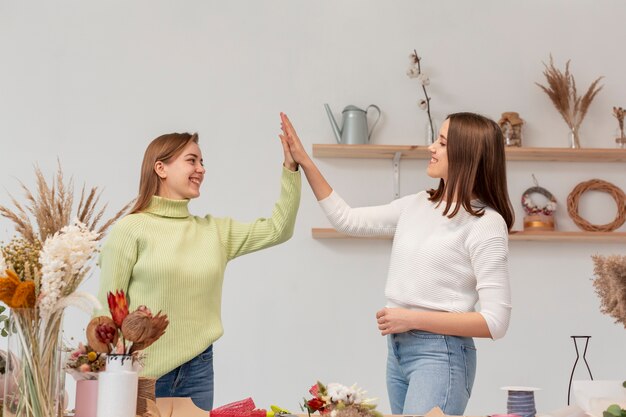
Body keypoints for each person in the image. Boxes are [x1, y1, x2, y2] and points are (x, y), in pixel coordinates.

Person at [280, 112, 513, 415]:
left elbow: (496, 322)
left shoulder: (486, 224)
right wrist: (305, 161)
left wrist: (412, 319)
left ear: (466, 154)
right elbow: (346, 220)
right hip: (399, 351)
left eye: (442, 142)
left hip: (442, 356)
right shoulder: (417, 205)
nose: (431, 147)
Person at [96, 122, 301, 411]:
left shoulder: (215, 233)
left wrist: (290, 168)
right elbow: (106, 310)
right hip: (141, 370)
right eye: (191, 160)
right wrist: (113, 368)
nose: (201, 169)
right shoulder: (131, 229)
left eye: (202, 162)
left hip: (198, 369)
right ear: (161, 168)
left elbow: (279, 229)